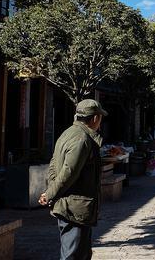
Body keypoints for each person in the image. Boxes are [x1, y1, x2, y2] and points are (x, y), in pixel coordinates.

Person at [39, 99, 108, 260]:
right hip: (74, 207)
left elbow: (53, 165)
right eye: (100, 117)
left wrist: (50, 191)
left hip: (73, 205)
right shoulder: (82, 139)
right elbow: (68, 173)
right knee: (73, 254)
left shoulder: (68, 133)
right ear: (95, 118)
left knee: (81, 253)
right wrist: (50, 194)